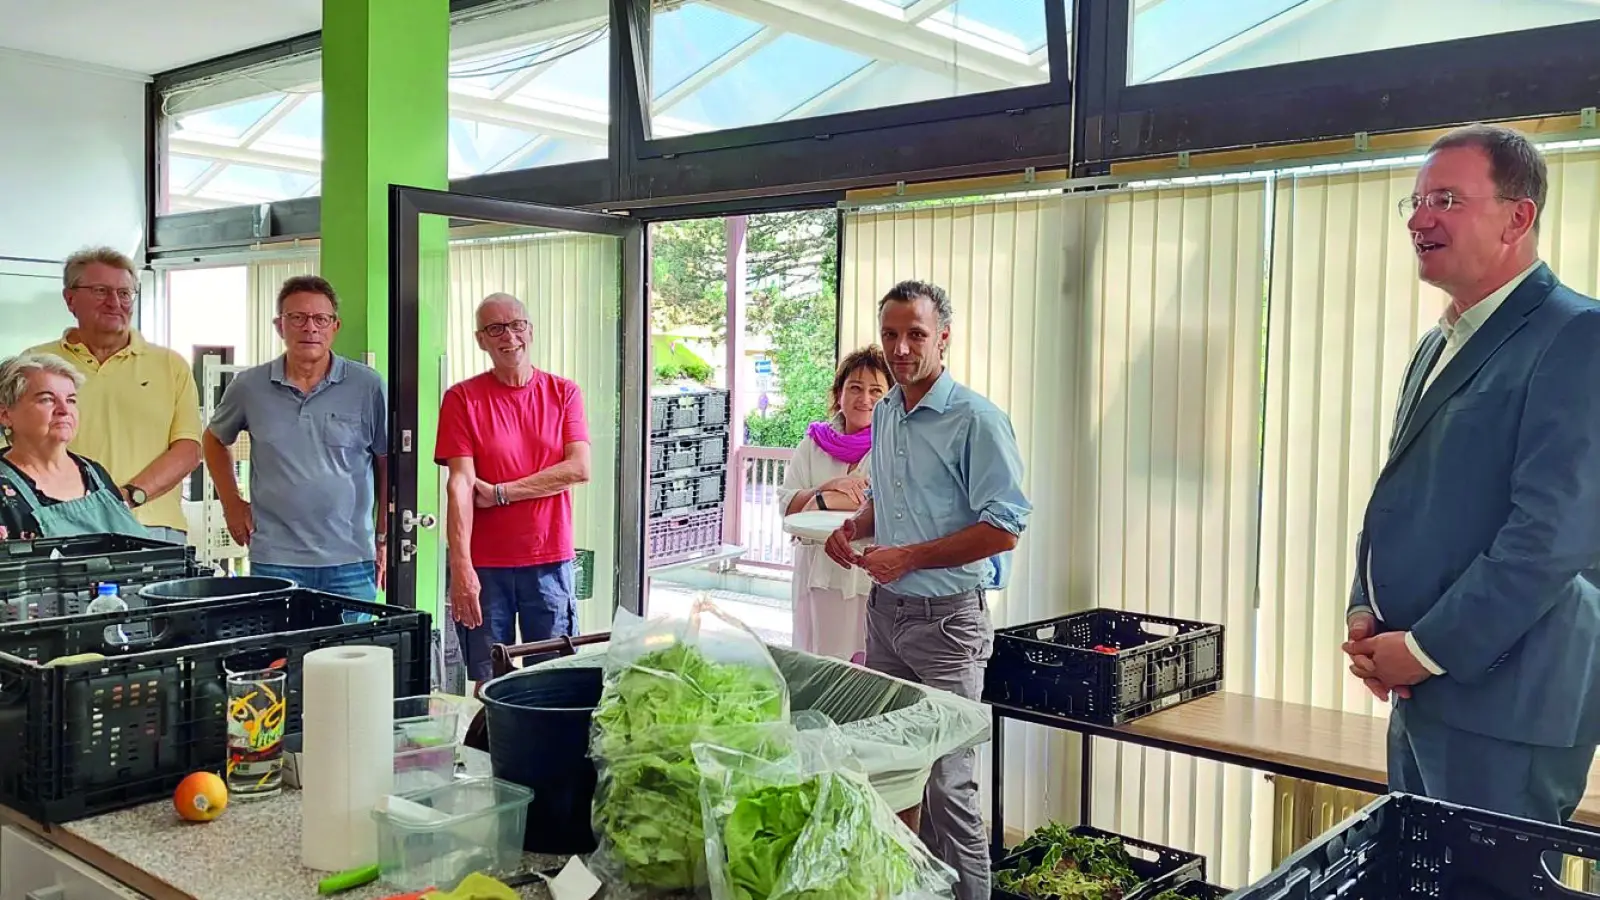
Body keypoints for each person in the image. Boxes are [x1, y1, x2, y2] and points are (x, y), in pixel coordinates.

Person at [1342, 124, 1600, 823]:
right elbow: (1403, 499)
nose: (1421, 218)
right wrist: (1365, 611)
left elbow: (1552, 536)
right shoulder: (1438, 343)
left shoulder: (1578, 335)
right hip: (1419, 692)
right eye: (1418, 201)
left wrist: (1425, 649)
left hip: (1510, 707)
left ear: (1519, 218)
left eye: (1448, 199)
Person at [825, 280, 1030, 900]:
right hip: (884, 616)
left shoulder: (978, 419)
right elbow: (889, 506)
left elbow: (1006, 528)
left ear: (944, 337)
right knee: (892, 774)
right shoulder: (887, 412)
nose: (901, 347)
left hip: (947, 625)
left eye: (916, 334)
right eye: (891, 334)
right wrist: (852, 529)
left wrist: (908, 557)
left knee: (949, 787)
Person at [201, 275, 389, 600]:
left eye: (320, 319)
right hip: (275, 558)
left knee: (350, 650)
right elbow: (214, 440)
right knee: (278, 651)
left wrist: (384, 534)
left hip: (350, 557)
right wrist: (232, 504)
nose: (310, 328)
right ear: (279, 325)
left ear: (335, 326)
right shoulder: (249, 387)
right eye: (297, 318)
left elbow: (386, 461)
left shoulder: (367, 386)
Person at [436, 293, 591, 682]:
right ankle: (491, 745)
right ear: (480, 339)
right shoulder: (462, 399)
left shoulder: (563, 393)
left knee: (553, 676)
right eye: (496, 328)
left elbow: (578, 468)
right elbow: (460, 484)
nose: (510, 336)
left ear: (530, 330)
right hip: (485, 567)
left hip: (550, 561)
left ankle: (543, 745)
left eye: (517, 324)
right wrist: (460, 566)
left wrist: (502, 492)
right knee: (489, 680)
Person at [26, 247, 202, 544]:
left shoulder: (170, 365)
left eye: (125, 293)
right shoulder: (35, 364)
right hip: (58, 525)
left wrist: (127, 496)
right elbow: (14, 445)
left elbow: (188, 448)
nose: (114, 302)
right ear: (70, 299)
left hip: (151, 525)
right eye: (100, 291)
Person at [778, 345, 890, 662]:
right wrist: (827, 489)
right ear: (839, 392)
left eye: (876, 391)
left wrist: (815, 499)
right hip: (816, 572)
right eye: (854, 387)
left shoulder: (890, 447)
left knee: (866, 668)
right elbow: (786, 506)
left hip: (865, 576)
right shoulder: (812, 445)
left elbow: (872, 506)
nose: (864, 399)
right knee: (816, 661)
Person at [0, 353, 146, 540]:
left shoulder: (94, 474)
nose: (64, 409)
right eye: (47, 399)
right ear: (5, 415)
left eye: (71, 400)